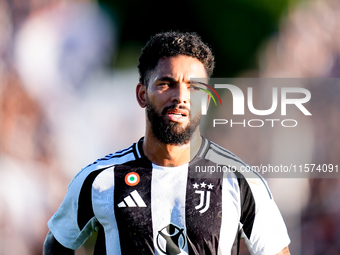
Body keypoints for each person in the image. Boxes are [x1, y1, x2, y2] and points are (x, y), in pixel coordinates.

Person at [43, 31, 291, 255]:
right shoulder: (100, 178)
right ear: (142, 95)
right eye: (166, 84)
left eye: (193, 87)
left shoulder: (240, 180)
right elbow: (59, 243)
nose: (180, 97)